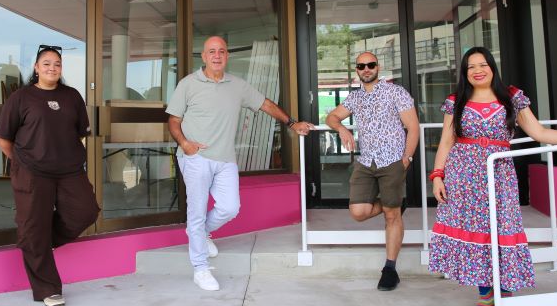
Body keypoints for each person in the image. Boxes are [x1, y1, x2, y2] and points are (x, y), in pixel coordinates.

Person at [427, 46, 557, 306]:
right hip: (463, 177)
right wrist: (437, 175)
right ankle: (485, 295)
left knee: (501, 230)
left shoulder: (512, 97)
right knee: (478, 235)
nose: (477, 71)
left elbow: (539, 132)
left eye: (483, 64)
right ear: (465, 74)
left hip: (499, 176)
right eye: (471, 67)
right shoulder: (457, 101)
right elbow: (446, 141)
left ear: (492, 67)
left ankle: (505, 293)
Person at [166, 36, 314, 291]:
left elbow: (265, 104)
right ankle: (200, 269)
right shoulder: (188, 84)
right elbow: (173, 120)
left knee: (230, 208)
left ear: (227, 56)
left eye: (221, 51)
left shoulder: (237, 85)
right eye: (211, 51)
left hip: (225, 159)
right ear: (203, 56)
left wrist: (292, 123)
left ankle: (198, 233)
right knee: (197, 213)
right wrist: (185, 144)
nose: (217, 55)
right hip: (196, 158)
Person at [0, 45, 100, 306]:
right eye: (46, 63)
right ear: (36, 67)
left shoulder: (72, 96)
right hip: (31, 171)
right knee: (33, 226)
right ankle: (47, 289)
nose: (52, 68)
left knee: (85, 212)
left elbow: (80, 133)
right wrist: (21, 161)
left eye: (57, 64)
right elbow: (3, 138)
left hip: (69, 170)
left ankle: (41, 240)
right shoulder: (21, 98)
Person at [325, 51, 420, 291]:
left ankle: (390, 269)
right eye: (361, 65)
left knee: (391, 216)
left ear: (378, 67)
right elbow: (331, 116)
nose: (366, 69)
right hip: (367, 162)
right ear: (356, 70)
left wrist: (406, 159)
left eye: (370, 64)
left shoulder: (396, 92)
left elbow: (413, 127)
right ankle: (396, 202)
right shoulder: (355, 98)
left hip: (392, 162)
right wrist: (342, 129)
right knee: (358, 212)